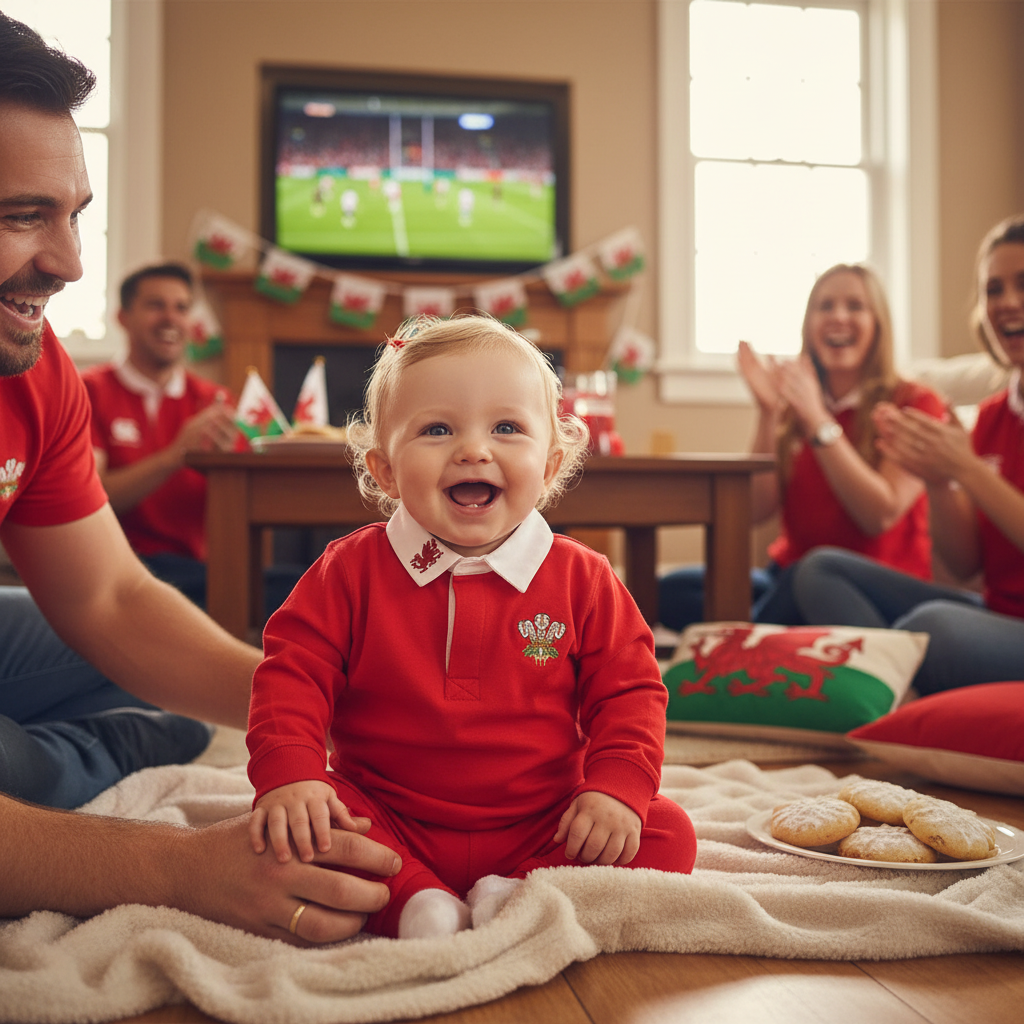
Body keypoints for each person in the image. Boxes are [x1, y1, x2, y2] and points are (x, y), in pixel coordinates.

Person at [0, 11, 396, 943]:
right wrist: (180, 868)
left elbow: (109, 599)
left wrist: (328, 720)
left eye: (73, 217)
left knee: (147, 668)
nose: (66, 264)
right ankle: (88, 756)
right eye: (22, 216)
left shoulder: (35, 365)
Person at [246, 315, 698, 939]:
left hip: (544, 821)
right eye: (437, 429)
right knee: (297, 830)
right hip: (389, 816)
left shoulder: (582, 578)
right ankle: (416, 900)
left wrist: (615, 790)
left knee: (667, 834)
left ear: (550, 463)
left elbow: (630, 695)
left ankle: (516, 891)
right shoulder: (348, 570)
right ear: (384, 469)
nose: (474, 449)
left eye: (507, 427)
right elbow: (290, 675)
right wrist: (292, 775)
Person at [789, 215, 1024, 693]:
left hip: (993, 626)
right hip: (997, 613)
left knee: (935, 626)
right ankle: (885, 679)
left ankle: (877, 682)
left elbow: (881, 516)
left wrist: (967, 470)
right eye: (993, 290)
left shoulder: (916, 401)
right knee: (819, 569)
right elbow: (964, 566)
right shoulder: (995, 414)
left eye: (1021, 284)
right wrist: (939, 479)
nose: (1008, 302)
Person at [658, 263, 947, 630]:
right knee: (670, 591)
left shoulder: (914, 402)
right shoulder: (798, 401)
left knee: (810, 575)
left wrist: (817, 419)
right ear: (809, 325)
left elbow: (879, 515)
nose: (838, 316)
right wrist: (768, 413)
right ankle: (768, 639)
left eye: (855, 306)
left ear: (878, 324)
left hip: (864, 587)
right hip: (787, 578)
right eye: (825, 306)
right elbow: (756, 510)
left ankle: (749, 647)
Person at [82, 262, 300, 614]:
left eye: (181, 308)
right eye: (156, 305)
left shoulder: (213, 400)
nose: (171, 318)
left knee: (311, 587)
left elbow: (247, 503)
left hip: (199, 571)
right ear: (122, 317)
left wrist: (231, 467)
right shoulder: (89, 391)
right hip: (122, 565)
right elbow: (92, 498)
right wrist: (176, 455)